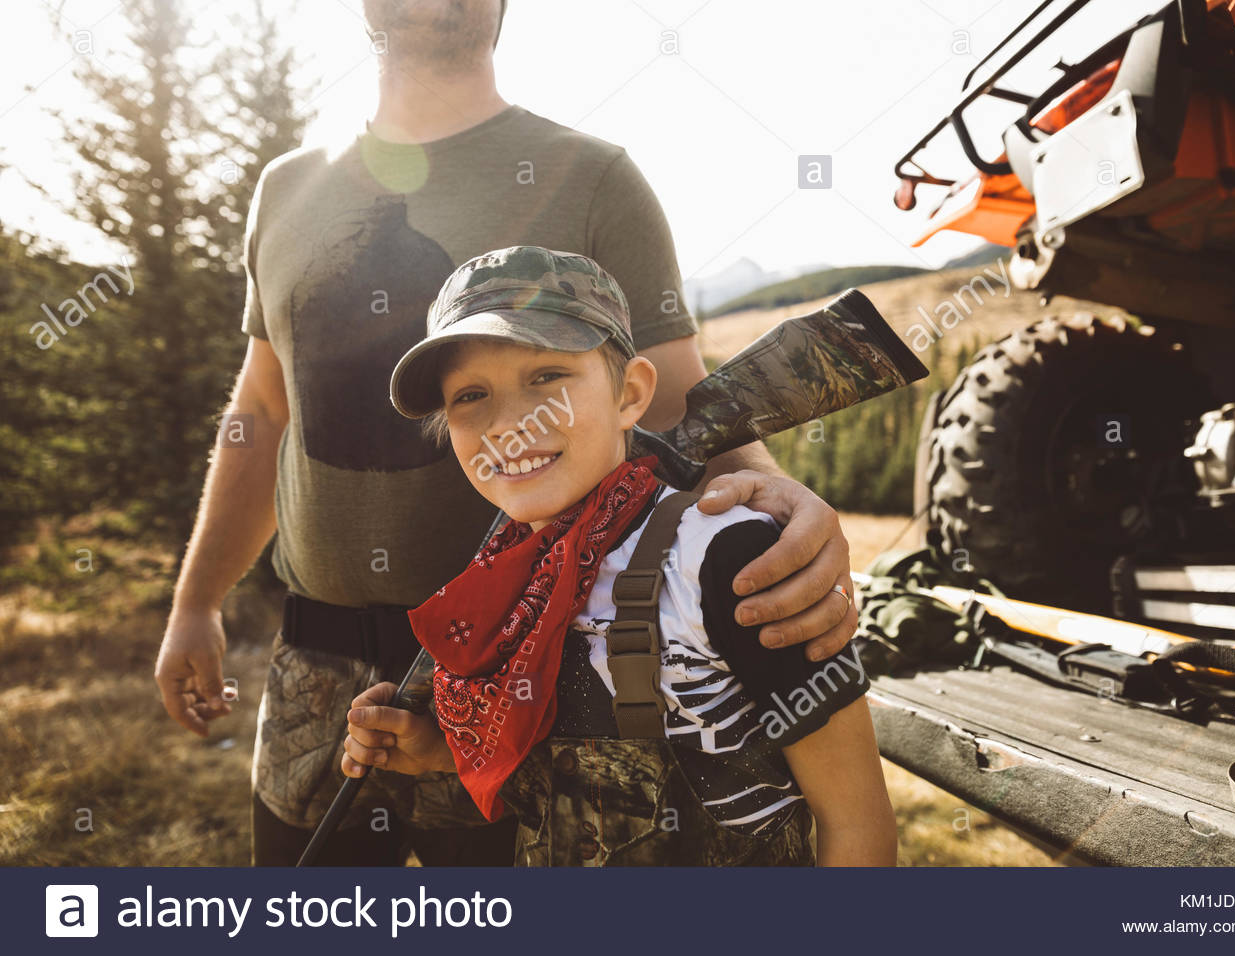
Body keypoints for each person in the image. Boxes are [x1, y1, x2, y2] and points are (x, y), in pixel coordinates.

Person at [154, 0, 858, 867]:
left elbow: (679, 400)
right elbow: (262, 411)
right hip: (314, 658)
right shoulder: (286, 189)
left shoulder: (593, 177)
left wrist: (780, 502)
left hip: (533, 670)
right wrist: (195, 602)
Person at [342, 246, 897, 865]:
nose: (508, 426)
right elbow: (561, 761)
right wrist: (434, 749)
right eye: (470, 396)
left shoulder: (724, 557)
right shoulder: (508, 576)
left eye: (547, 377)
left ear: (630, 393)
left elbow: (856, 823)